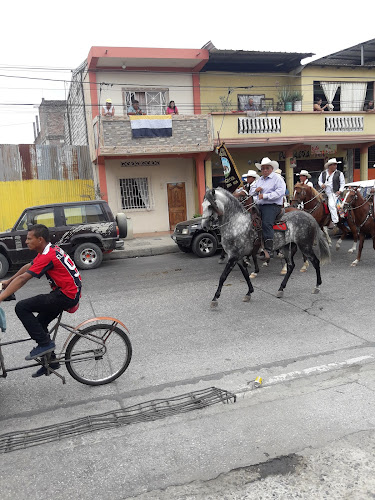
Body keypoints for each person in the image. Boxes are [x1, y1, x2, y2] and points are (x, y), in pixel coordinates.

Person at [0, 224, 82, 377]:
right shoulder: (48, 250)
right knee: (39, 324)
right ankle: (51, 361)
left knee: (22, 307)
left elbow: (24, 278)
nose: (26, 241)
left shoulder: (48, 255)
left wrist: (2, 297)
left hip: (66, 296)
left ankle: (45, 344)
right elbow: (28, 267)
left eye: (29, 239)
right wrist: (8, 281)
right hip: (66, 293)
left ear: (40, 239)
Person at [249, 157, 286, 258]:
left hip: (272, 205)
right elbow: (251, 193)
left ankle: (269, 249)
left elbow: (280, 192)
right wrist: (256, 190)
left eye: (267, 168)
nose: (265, 170)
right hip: (259, 204)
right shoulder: (259, 180)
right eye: (263, 168)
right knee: (250, 220)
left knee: (266, 223)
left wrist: (265, 196)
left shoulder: (277, 179)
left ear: (271, 169)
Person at [318, 158, 345, 226]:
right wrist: (322, 185)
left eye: (336, 165)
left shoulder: (339, 173)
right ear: (329, 166)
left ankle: (335, 221)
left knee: (331, 204)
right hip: (324, 192)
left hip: (334, 193)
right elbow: (319, 181)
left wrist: (340, 191)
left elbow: (342, 183)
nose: (335, 166)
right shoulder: (323, 173)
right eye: (333, 165)